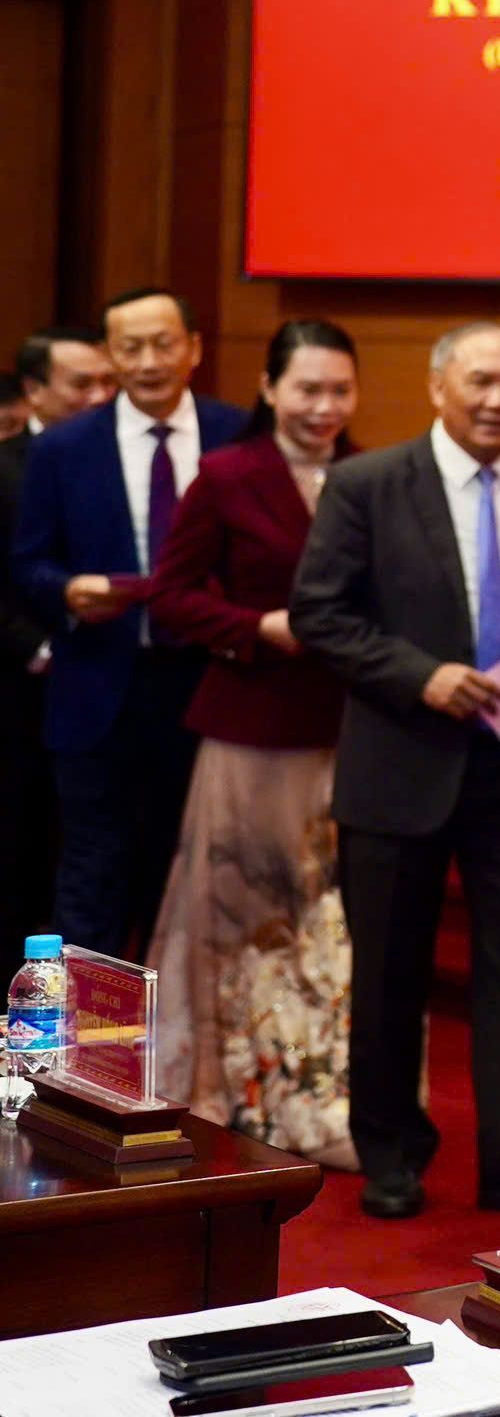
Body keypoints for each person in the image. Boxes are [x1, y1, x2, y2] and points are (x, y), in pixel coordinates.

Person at [290, 322, 500, 1220]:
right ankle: (392, 1155)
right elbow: (319, 612)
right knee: (390, 977)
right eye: (481, 381)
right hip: (400, 761)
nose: (499, 400)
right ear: (440, 387)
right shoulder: (367, 483)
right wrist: (420, 676)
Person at [144, 320, 359, 1164]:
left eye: (339, 390)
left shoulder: (369, 474)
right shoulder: (229, 474)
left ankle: (318, 1097)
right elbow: (171, 595)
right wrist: (255, 627)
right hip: (252, 729)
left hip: (350, 731)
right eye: (307, 389)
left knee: (327, 925)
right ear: (270, 389)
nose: (324, 406)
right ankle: (230, 1088)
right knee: (241, 916)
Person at [11, 289, 246, 957]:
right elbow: (28, 562)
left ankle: (177, 1024)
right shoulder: (65, 447)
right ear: (111, 356)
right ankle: (87, 1029)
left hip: (210, 686)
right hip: (99, 686)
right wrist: (66, 590)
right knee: (92, 882)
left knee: (196, 880)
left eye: (163, 344)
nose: (148, 362)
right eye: (130, 347)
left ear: (194, 348)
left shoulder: (238, 433)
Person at [0, 326, 115, 953]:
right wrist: (38, 647)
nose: (100, 395)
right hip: (21, 692)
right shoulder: (6, 466)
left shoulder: (122, 459)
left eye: (107, 382)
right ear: (35, 390)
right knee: (23, 848)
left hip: (109, 691)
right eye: (81, 384)